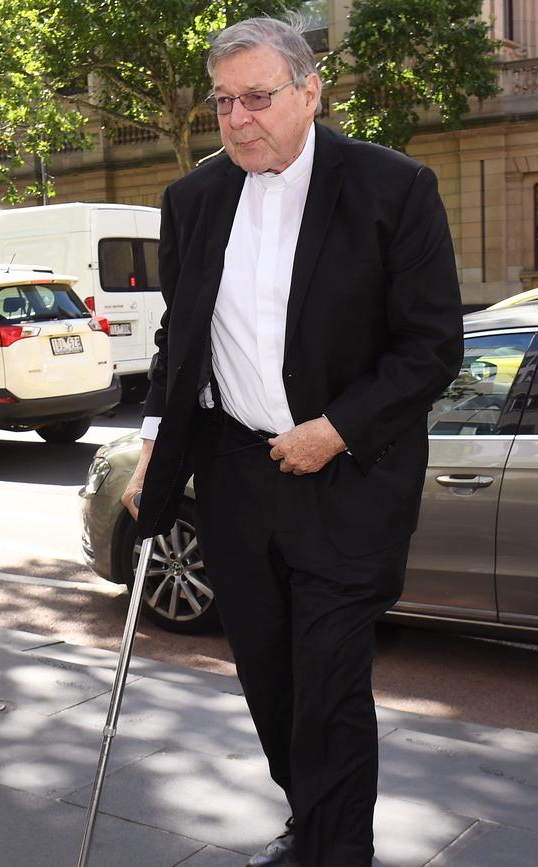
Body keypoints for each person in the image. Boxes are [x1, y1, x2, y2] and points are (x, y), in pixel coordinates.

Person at [122, 15, 463, 867]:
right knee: (270, 682)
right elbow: (180, 340)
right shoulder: (193, 200)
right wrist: (154, 443)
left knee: (330, 686)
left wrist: (336, 429)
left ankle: (337, 850)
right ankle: (310, 816)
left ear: (311, 92)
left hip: (348, 481)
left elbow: (432, 345)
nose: (237, 119)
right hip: (237, 476)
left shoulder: (395, 188)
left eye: (259, 98)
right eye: (224, 101)